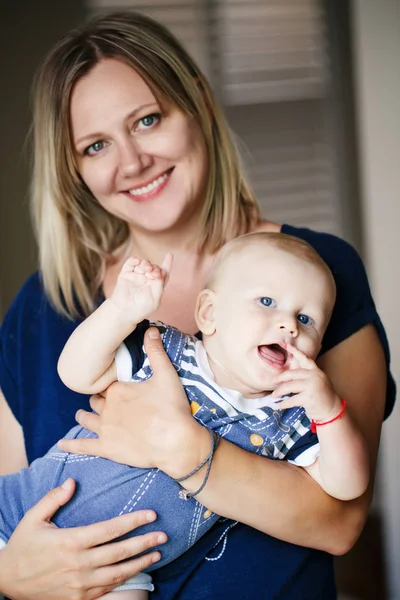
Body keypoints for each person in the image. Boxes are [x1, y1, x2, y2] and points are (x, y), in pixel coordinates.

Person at [0, 9, 394, 600]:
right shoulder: (41, 309)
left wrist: (185, 448)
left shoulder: (316, 275)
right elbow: (14, 503)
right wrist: (8, 576)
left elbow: (339, 522)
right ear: (75, 171)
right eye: (96, 145)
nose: (131, 162)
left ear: (200, 106)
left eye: (148, 119)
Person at [0, 232, 370, 597]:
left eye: (306, 320)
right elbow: (76, 373)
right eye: (267, 301)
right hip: (21, 507)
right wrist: (120, 311)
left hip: (118, 571)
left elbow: (346, 488)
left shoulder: (290, 418)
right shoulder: (167, 351)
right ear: (209, 314)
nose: (289, 325)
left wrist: (330, 412)